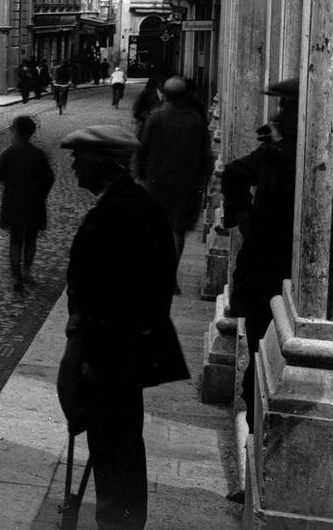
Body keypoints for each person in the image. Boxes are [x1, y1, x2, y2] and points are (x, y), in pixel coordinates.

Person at [56, 124, 184, 530]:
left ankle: (119, 524)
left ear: (105, 164)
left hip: (113, 354)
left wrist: (94, 360)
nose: (74, 165)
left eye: (81, 157)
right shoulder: (132, 204)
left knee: (115, 449)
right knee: (116, 446)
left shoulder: (119, 214)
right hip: (120, 352)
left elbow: (121, 297)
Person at [222, 77, 297, 429]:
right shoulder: (274, 153)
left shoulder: (287, 156)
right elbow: (235, 174)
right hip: (264, 272)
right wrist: (244, 219)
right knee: (257, 356)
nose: (278, 113)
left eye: (286, 106)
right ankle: (254, 437)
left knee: (265, 360)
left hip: (282, 271)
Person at [134, 76, 213, 263]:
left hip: (157, 180)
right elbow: (205, 154)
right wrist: (203, 180)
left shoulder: (154, 117)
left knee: (155, 225)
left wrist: (140, 177)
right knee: (178, 229)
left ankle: (154, 267)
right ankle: (171, 273)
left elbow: (141, 150)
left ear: (165, 95)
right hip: (187, 182)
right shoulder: (196, 119)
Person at [0, 114, 54, 292]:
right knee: (30, 239)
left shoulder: (8, 153)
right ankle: (27, 271)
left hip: (14, 202)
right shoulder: (39, 154)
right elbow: (49, 178)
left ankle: (17, 277)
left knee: (15, 240)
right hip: (34, 203)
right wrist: (40, 195)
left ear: (15, 131)